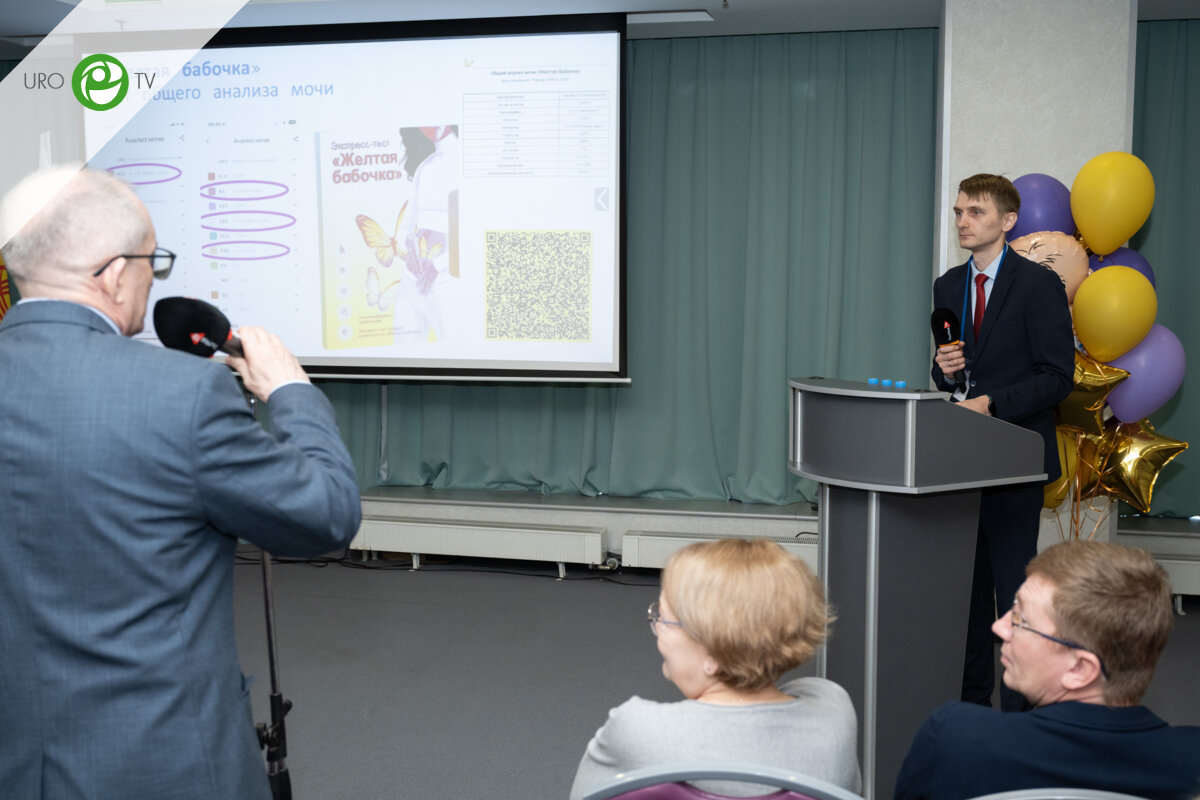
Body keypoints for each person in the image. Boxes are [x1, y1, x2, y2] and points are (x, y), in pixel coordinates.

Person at [0, 165, 363, 800]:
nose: (152, 280)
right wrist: (292, 393)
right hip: (160, 763)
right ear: (115, 273)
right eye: (153, 263)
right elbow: (325, 515)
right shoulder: (184, 394)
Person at [894, 541, 1200, 800]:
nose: (999, 627)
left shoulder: (955, 739)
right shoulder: (1190, 763)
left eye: (1020, 619)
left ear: (1080, 669)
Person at [932, 173, 1075, 710]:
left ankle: (1019, 715)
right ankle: (971, 708)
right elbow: (948, 376)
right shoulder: (948, 285)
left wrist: (992, 404)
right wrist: (944, 369)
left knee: (1015, 594)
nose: (963, 221)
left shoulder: (1038, 285)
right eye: (958, 212)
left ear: (1008, 220)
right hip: (960, 461)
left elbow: (1057, 377)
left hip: (1015, 460)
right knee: (966, 596)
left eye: (975, 212)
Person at [569, 539, 861, 799]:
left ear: (713, 654)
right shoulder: (833, 711)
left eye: (664, 619)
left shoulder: (635, 728)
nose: (656, 627)